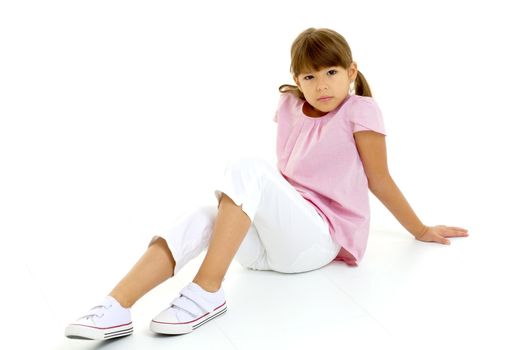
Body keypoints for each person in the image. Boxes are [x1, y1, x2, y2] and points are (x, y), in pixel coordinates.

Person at [64, 27, 469, 341]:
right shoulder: (290, 105)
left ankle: (207, 289)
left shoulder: (360, 111)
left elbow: (380, 181)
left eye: (332, 73)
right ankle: (115, 306)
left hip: (318, 240)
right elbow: (277, 185)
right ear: (297, 78)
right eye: (310, 76)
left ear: (352, 72)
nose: (322, 85)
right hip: (266, 243)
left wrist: (420, 229)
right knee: (202, 214)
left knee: (247, 166)